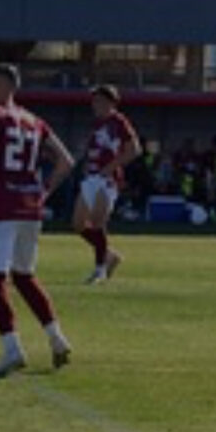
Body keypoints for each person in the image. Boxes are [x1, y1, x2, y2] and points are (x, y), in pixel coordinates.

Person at [0, 63, 74, 377]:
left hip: (2, 204)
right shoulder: (34, 120)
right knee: (24, 275)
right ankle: (57, 339)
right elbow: (66, 161)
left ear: (7, 84)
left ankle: (12, 349)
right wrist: (44, 192)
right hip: (30, 206)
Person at [72, 85, 141, 284]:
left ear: (111, 102)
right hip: (91, 177)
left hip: (107, 179)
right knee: (78, 224)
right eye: (94, 101)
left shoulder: (118, 122)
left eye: (100, 101)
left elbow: (133, 149)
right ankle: (109, 255)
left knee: (97, 223)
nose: (96, 105)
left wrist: (110, 168)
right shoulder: (96, 123)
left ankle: (99, 269)